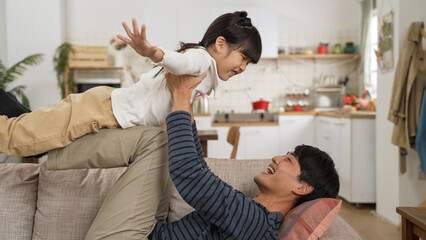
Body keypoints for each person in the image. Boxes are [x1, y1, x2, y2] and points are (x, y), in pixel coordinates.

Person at [45, 72, 340, 239]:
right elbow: (195, 166)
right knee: (162, 139)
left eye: (288, 160)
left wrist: (182, 98)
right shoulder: (250, 212)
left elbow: (191, 175)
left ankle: (49, 148)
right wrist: (187, 109)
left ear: (302, 188)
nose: (276, 158)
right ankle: (52, 142)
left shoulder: (257, 223)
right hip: (151, 229)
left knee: (158, 142)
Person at [0, 11, 262, 157]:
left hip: (105, 107)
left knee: (31, 126)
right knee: (20, 140)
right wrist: (153, 53)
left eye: (248, 64)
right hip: (100, 111)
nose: (242, 68)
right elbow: (180, 64)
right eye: (243, 58)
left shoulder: (204, 75)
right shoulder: (201, 62)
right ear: (220, 44)